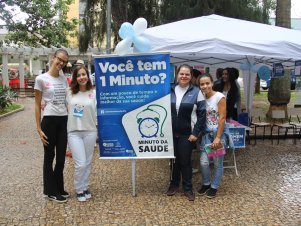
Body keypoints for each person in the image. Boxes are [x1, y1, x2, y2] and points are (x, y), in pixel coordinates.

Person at [34, 49, 70, 203]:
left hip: (63, 120)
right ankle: (51, 191)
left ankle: (58, 187)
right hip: (49, 121)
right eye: (59, 59)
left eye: (64, 61)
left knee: (61, 158)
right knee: (49, 157)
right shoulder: (41, 79)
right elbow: (36, 104)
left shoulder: (63, 79)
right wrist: (38, 128)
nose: (61, 63)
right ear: (53, 58)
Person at [167, 64, 206, 201]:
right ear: (177, 75)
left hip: (187, 134)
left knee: (185, 161)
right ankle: (173, 184)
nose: (184, 76)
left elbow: (202, 115)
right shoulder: (170, 89)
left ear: (191, 76)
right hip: (171, 133)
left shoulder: (197, 92)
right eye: (181, 74)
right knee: (174, 161)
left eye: (187, 74)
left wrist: (195, 133)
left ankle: (188, 188)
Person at [66, 65, 97, 202]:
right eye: (78, 75)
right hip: (74, 132)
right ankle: (79, 189)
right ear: (75, 78)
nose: (82, 77)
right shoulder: (69, 92)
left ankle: (85, 187)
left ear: (88, 76)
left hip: (90, 131)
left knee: (88, 162)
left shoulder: (94, 93)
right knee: (81, 164)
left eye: (84, 74)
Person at [197, 73, 230, 198]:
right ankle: (206, 183)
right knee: (204, 162)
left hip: (218, 133)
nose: (205, 86)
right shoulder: (202, 99)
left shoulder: (219, 97)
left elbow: (222, 118)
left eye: (207, 83)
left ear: (212, 83)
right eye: (202, 84)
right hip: (206, 134)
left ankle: (214, 186)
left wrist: (218, 137)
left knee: (217, 163)